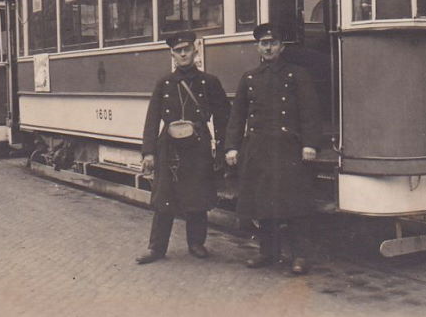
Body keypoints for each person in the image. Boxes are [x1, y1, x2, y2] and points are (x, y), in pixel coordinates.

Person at [225, 23, 320, 275]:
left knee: (296, 204)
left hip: (288, 148)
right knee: (263, 203)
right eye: (264, 43)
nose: (268, 47)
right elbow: (237, 116)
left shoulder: (298, 75)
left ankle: (300, 256)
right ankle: (268, 252)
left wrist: (310, 144)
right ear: (258, 47)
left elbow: (310, 113)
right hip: (259, 148)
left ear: (281, 46)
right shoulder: (249, 78)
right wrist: (232, 147)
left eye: (273, 43)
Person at [136, 30, 229, 264]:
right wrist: (148, 152)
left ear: (195, 50)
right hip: (169, 147)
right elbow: (152, 119)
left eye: (187, 49)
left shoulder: (210, 82)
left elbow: (222, 117)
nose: (183, 53)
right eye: (178, 50)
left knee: (197, 195)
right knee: (164, 198)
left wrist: (222, 147)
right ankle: (156, 248)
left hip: (198, 145)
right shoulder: (164, 83)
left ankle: (196, 243)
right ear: (172, 54)